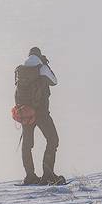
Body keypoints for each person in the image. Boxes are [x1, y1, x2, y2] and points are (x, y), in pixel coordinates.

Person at [15, 46, 64, 185]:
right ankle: (48, 175)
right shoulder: (41, 68)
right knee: (53, 140)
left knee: (27, 145)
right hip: (41, 113)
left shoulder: (20, 70)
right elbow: (54, 81)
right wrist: (46, 64)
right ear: (39, 55)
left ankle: (30, 176)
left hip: (26, 113)